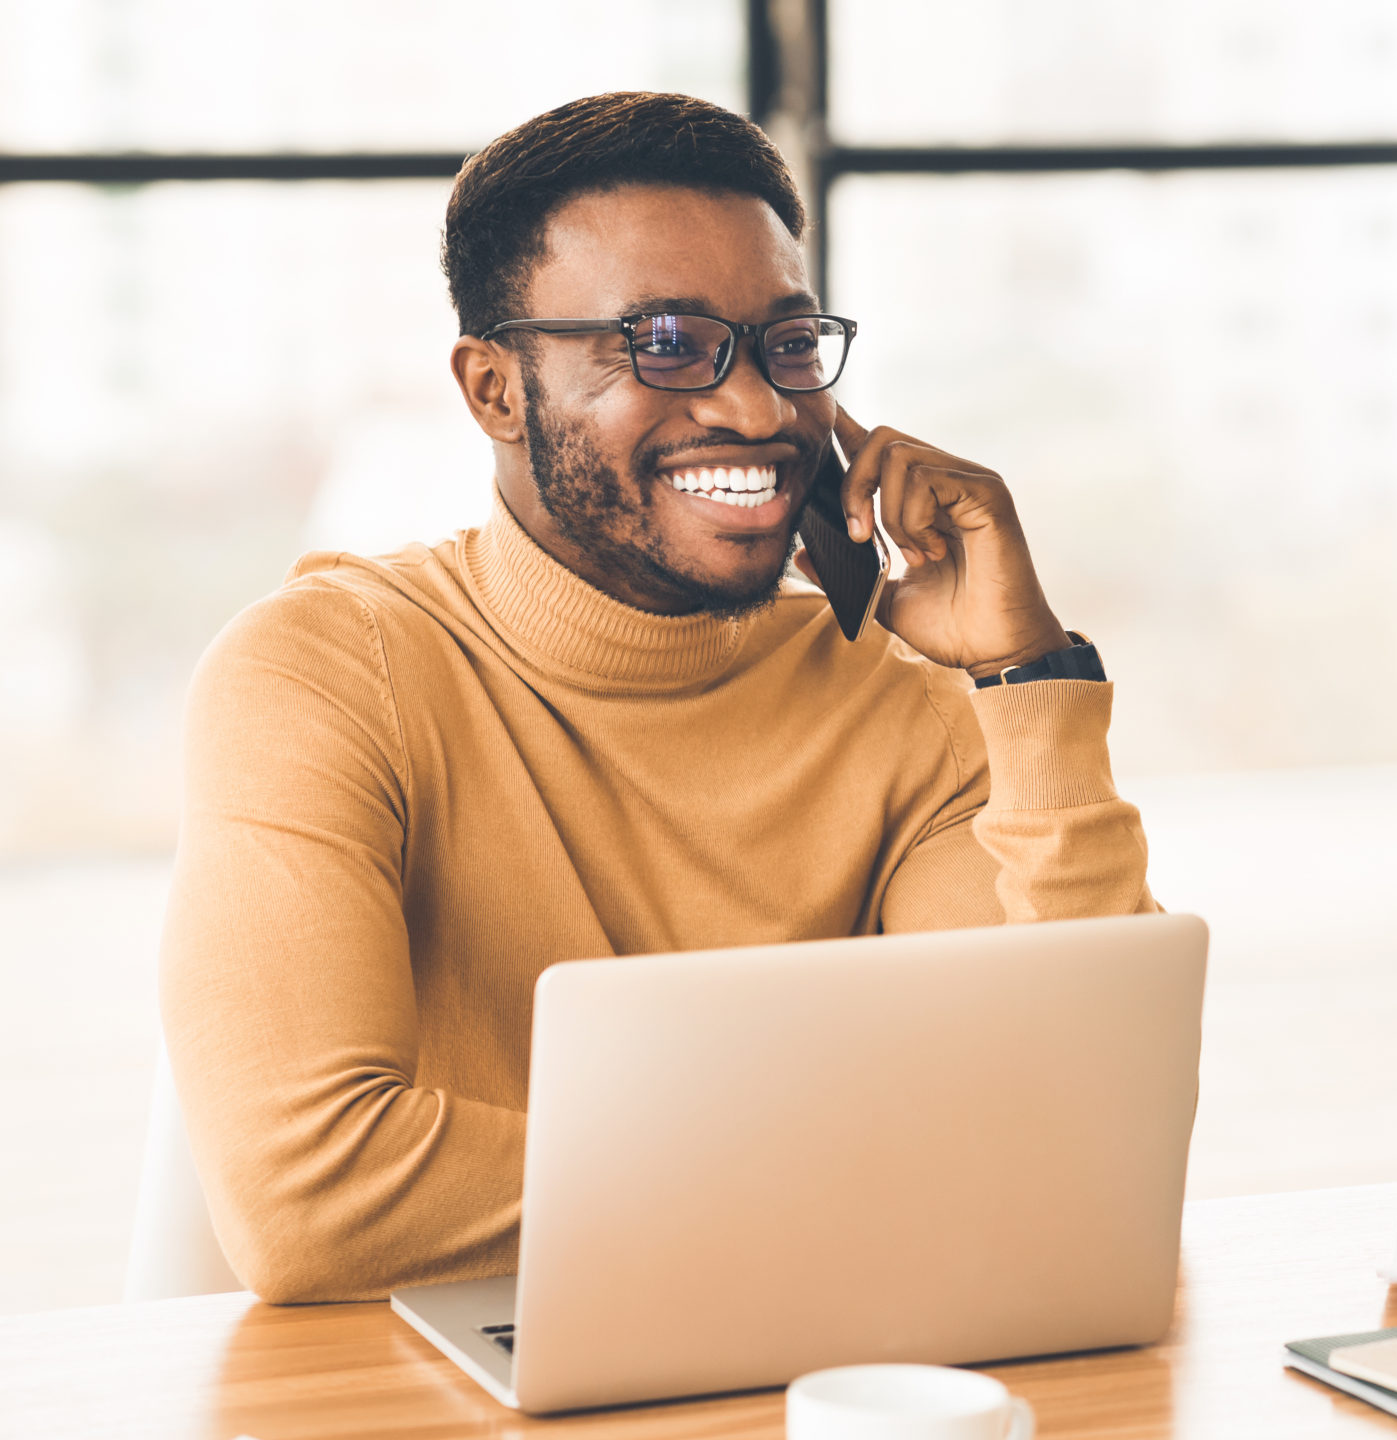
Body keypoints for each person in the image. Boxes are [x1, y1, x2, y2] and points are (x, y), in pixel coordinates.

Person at [160, 92, 1155, 1303]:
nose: (754, 409)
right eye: (665, 343)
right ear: (495, 390)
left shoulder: (904, 694)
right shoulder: (323, 674)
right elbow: (312, 1199)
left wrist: (1024, 674)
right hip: (428, 1381)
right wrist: (880, 1169)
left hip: (817, 1361)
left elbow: (1087, 1133)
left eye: (787, 345)